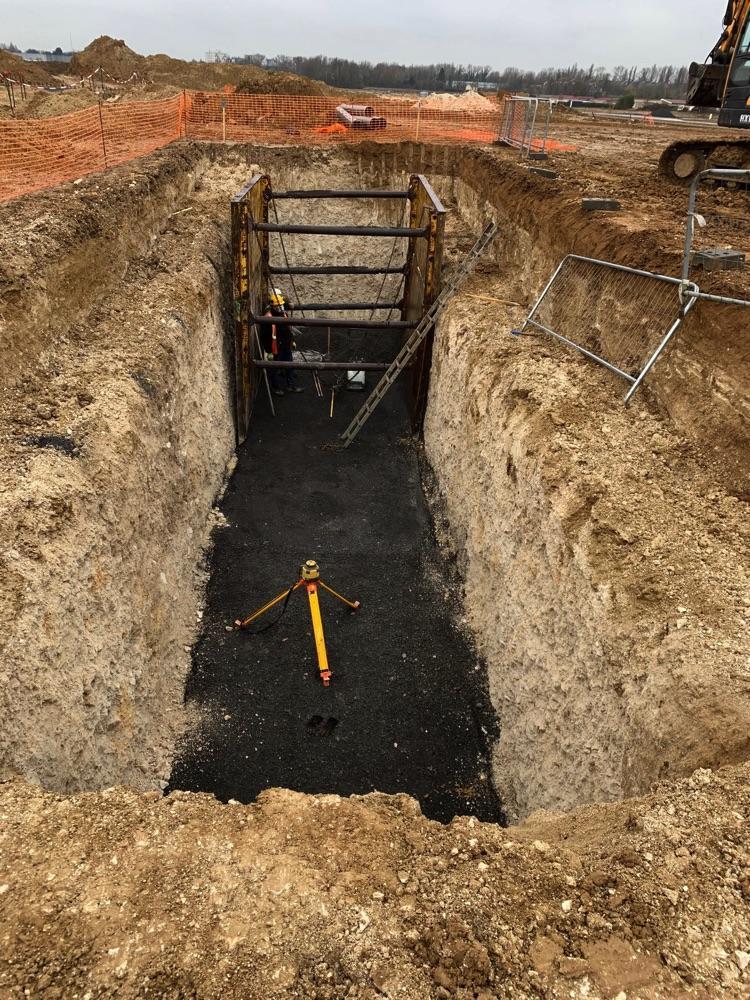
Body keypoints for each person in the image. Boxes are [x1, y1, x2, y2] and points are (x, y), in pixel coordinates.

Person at [261, 288, 304, 397]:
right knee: (274, 369)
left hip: (285, 345)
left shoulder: (283, 314)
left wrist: (292, 341)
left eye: (281, 305)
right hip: (275, 347)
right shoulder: (268, 318)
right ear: (272, 306)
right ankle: (276, 388)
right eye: (278, 306)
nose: (280, 307)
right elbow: (264, 336)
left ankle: (291, 385)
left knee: (290, 365)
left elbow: (288, 329)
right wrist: (268, 351)